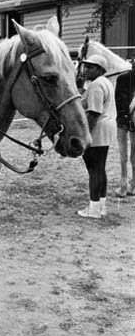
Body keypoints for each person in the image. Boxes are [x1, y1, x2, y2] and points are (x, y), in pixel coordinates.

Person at [77, 54, 117, 219]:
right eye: (86, 66)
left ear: (100, 70)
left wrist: (83, 133)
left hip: (97, 129)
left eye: (91, 67)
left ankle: (93, 209)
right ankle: (100, 206)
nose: (86, 70)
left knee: (93, 169)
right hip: (107, 128)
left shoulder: (96, 85)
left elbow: (93, 113)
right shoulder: (104, 83)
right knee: (100, 169)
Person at [114, 65, 135, 197]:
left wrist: (124, 117)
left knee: (123, 152)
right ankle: (133, 185)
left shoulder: (123, 77)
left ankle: (123, 184)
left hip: (124, 118)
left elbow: (119, 101)